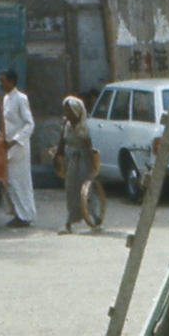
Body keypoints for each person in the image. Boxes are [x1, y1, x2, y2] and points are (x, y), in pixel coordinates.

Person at [1, 67, 37, 231]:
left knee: (20, 182)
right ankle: (16, 213)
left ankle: (25, 216)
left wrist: (15, 140)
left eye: (3, 81)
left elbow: (30, 124)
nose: (1, 84)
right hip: (8, 146)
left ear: (12, 82)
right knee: (9, 182)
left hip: (19, 148)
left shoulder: (21, 99)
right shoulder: (5, 99)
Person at [57, 95, 98, 233]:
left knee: (85, 191)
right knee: (70, 190)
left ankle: (93, 217)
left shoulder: (83, 127)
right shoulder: (67, 126)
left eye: (69, 111)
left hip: (82, 161)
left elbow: (89, 147)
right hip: (70, 161)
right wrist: (58, 157)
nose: (66, 114)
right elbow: (62, 143)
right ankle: (70, 220)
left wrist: (92, 167)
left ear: (76, 112)